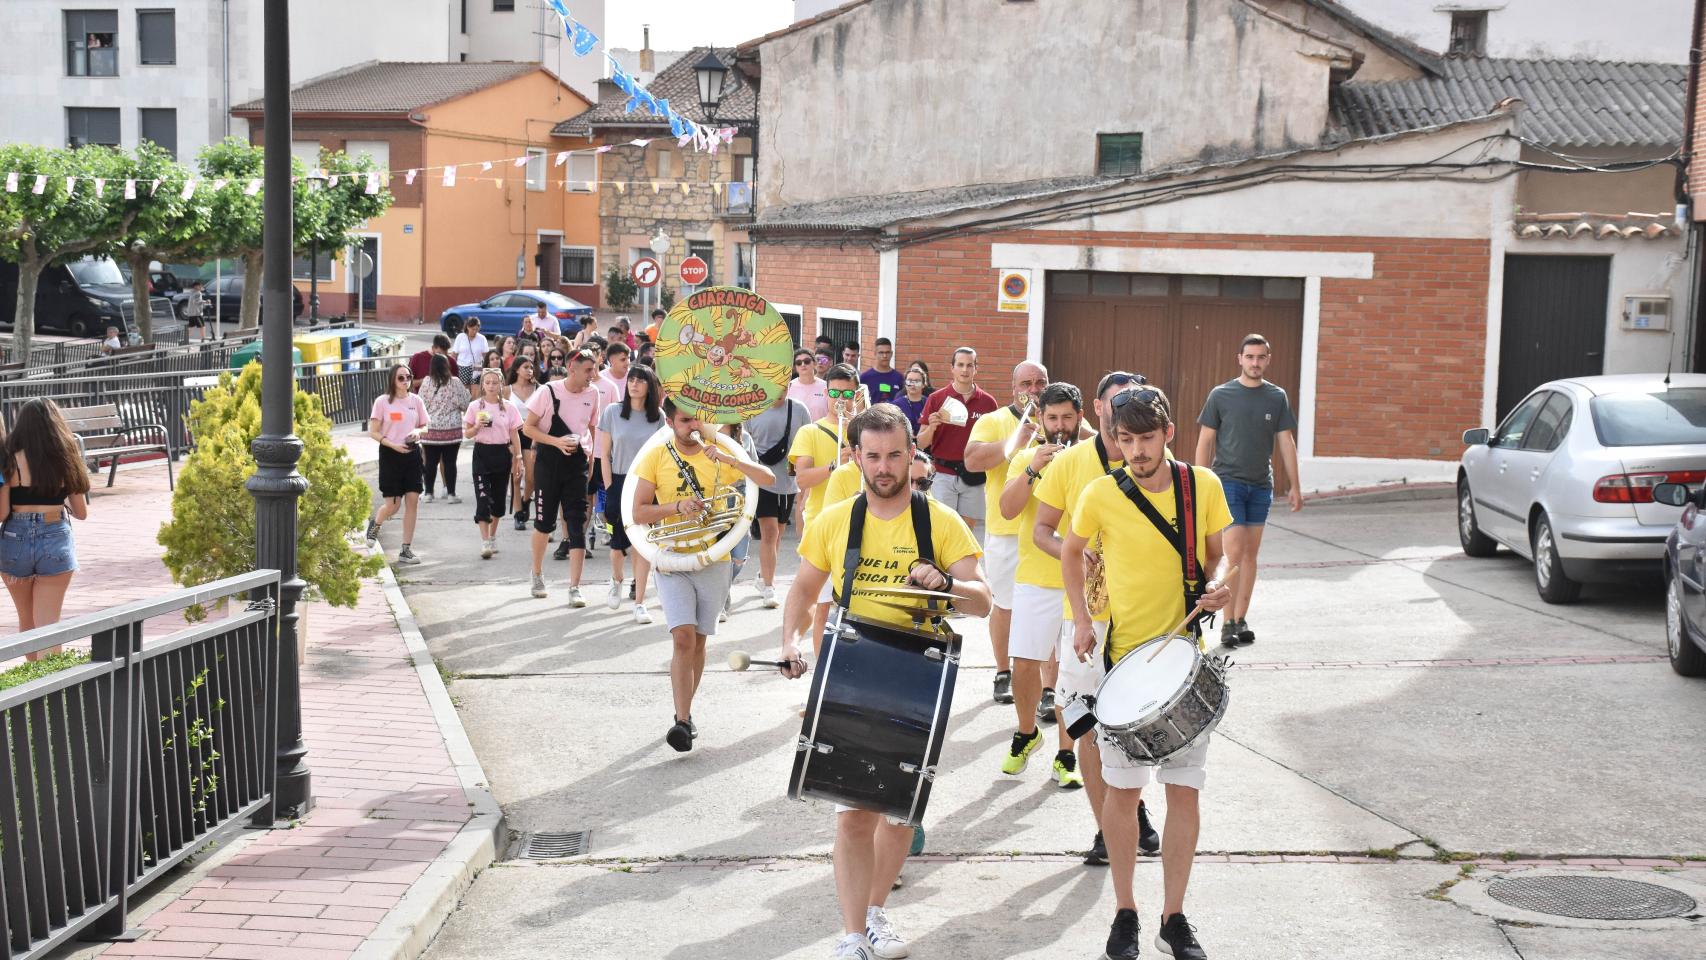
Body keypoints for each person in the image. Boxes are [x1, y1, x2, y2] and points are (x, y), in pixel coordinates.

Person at [775, 404, 991, 960]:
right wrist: (790, 643)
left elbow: (984, 600)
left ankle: (875, 915)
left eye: (895, 454)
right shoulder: (836, 519)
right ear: (855, 458)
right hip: (852, 669)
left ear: (912, 455)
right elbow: (802, 589)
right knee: (854, 813)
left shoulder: (940, 521)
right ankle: (851, 936)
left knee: (900, 810)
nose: (885, 466)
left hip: (919, 672)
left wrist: (945, 582)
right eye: (873, 456)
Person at [1061, 385, 1232, 960]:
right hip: (1123, 666)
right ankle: (1125, 912)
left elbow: (1216, 554)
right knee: (1123, 791)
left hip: (1183, 661)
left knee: (1184, 793)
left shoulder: (1200, 486)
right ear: (1112, 439)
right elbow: (1070, 549)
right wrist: (1082, 620)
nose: (1136, 450)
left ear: (1169, 434)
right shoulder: (1100, 493)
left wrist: (1214, 586)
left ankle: (1174, 917)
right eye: (1124, 439)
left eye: (1146, 438)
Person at [1033, 371, 1158, 869]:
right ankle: (1106, 829)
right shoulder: (1071, 463)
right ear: (1099, 410)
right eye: (1113, 406)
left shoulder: (1155, 463)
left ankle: (1133, 809)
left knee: (1133, 724)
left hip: (1142, 614)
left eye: (1131, 406)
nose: (1120, 414)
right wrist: (1075, 553)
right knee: (1086, 725)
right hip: (1086, 614)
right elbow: (1042, 529)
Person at [630, 399, 774, 752]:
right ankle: (681, 720)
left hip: (713, 557)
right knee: (682, 638)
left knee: (698, 640)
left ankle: (686, 712)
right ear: (669, 421)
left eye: (696, 418)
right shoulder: (656, 456)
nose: (692, 425)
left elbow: (767, 479)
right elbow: (637, 512)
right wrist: (676, 507)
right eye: (684, 420)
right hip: (672, 558)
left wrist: (729, 460)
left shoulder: (718, 451)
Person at [997, 382, 1086, 789]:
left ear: (1080, 417)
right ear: (1041, 420)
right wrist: (1034, 467)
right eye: (1052, 418)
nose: (1060, 425)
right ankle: (1027, 731)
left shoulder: (1091, 458)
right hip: (1035, 578)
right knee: (1025, 665)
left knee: (1071, 670)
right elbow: (1008, 509)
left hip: (1081, 582)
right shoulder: (1026, 458)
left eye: (1067, 417)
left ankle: (1066, 754)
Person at [1194, 333, 1303, 647]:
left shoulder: (1276, 397)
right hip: (1226, 482)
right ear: (1239, 359)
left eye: (1261, 357)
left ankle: (1240, 619)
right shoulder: (1221, 395)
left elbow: (1286, 442)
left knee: (1251, 555)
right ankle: (1226, 622)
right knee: (1234, 551)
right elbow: (1205, 441)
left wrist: (1295, 486)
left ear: (1268, 360)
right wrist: (1202, 483)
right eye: (1250, 357)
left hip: (1260, 486)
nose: (1255, 363)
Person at [963, 360, 1049, 706]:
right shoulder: (993, 420)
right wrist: (1015, 440)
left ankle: (1046, 685)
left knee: (1050, 607)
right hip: (1007, 530)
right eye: (1026, 383)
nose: (1033, 390)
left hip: (1047, 529)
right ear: (1013, 387)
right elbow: (971, 461)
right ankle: (1003, 672)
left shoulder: (1059, 415)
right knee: (1006, 605)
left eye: (1039, 382)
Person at [1, 399, 92, 660]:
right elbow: (82, 513)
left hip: (13, 539)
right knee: (49, 626)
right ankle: (53, 696)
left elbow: (3, 513)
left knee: (26, 623)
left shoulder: (10, 458)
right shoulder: (65, 457)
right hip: (54, 535)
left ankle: (32, 692)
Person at [787, 364, 864, 655]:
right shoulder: (810, 431)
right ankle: (820, 676)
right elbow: (802, 478)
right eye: (834, 392)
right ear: (825, 393)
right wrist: (836, 463)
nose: (841, 399)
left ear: (856, 394)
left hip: (861, 524)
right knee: (822, 607)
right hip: (822, 525)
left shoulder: (867, 430)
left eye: (847, 393)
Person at [523, 349, 602, 605]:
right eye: (589, 370)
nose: (593, 375)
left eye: (595, 369)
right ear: (572, 368)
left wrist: (590, 460)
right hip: (549, 461)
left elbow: (591, 428)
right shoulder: (548, 391)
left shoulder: (592, 394)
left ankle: (574, 587)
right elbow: (528, 427)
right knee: (544, 523)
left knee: (577, 524)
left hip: (577, 463)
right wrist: (556, 442)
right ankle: (536, 573)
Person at [597, 364, 664, 624]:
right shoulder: (613, 412)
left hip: (646, 484)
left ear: (650, 386)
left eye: (640, 380)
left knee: (642, 542)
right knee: (617, 543)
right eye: (631, 380)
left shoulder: (657, 416)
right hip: (618, 480)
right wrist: (609, 485)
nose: (634, 384)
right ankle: (617, 580)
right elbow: (604, 453)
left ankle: (639, 601)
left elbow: (660, 453)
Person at [917, 347, 998, 529]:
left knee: (966, 529)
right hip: (943, 474)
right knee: (942, 527)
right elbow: (921, 443)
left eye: (969, 365)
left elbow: (993, 442)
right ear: (952, 368)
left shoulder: (988, 402)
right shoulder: (936, 398)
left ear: (976, 369)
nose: (965, 370)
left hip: (974, 475)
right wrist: (932, 427)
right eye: (960, 364)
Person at [745, 389, 810, 608]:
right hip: (762, 480)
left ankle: (764, 575)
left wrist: (799, 480)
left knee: (779, 534)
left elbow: (805, 446)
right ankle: (769, 587)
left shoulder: (799, 409)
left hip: (788, 482)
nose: (778, 390)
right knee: (770, 533)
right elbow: (744, 444)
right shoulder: (752, 409)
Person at [366, 364, 429, 565]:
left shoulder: (416, 401)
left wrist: (418, 432)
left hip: (412, 455)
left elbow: (425, 425)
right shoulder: (382, 402)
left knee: (412, 500)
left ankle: (406, 549)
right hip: (390, 454)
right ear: (393, 379)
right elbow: (374, 431)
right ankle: (375, 523)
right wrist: (392, 444)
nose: (405, 381)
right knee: (392, 506)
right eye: (401, 377)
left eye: (408, 377)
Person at [464, 369, 522, 558]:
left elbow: (514, 433)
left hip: (501, 453)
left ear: (501, 385)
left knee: (498, 501)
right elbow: (467, 434)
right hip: (482, 453)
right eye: (487, 382)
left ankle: (492, 534)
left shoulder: (508, 407)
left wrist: (518, 457)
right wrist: (476, 427)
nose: (491, 386)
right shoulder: (475, 406)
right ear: (482, 385)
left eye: (494, 383)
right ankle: (485, 541)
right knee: (482, 499)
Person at [417, 353, 470, 504]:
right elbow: (465, 404)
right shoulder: (455, 382)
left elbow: (421, 405)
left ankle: (428, 493)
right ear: (447, 366)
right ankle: (452, 494)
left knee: (430, 463)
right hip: (451, 430)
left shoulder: (426, 382)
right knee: (450, 462)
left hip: (431, 430)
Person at [507, 357, 541, 532]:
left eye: (531, 367)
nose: (529, 370)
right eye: (525, 367)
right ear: (517, 369)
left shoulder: (540, 389)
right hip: (513, 434)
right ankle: (519, 513)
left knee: (531, 478)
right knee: (516, 476)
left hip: (532, 434)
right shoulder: (507, 390)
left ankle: (527, 502)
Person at [858, 337, 905, 407]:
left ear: (891, 354)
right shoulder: (865, 378)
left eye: (887, 352)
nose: (884, 356)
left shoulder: (899, 377)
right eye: (881, 353)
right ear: (875, 354)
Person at [787, 348, 829, 421]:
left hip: (820, 430)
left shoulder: (826, 386)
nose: (803, 365)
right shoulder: (789, 387)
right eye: (799, 363)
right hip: (797, 431)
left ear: (814, 363)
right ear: (795, 367)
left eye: (807, 361)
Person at [451, 319, 489, 386]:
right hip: (462, 366)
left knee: (476, 387)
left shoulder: (482, 338)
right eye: (473, 329)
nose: (474, 331)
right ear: (468, 327)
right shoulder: (460, 337)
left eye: (476, 329)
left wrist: (486, 368)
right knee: (464, 387)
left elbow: (485, 355)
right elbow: (454, 354)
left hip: (478, 366)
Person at [893, 366, 929, 434]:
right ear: (905, 384)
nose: (913, 384)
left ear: (923, 384)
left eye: (917, 381)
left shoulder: (929, 403)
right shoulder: (896, 405)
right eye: (909, 381)